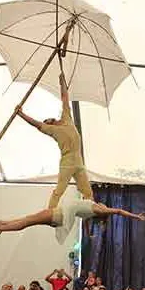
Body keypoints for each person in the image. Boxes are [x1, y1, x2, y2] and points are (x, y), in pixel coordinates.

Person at [16, 73, 93, 209]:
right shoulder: (51, 130)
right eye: (46, 122)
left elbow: (65, 98)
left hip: (78, 161)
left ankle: (91, 210)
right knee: (59, 191)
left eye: (47, 120)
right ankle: (50, 211)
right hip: (67, 161)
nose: (47, 122)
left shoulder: (66, 117)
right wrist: (21, 114)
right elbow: (36, 124)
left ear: (52, 119)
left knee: (88, 192)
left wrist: (62, 82)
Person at [0, 200, 145, 245]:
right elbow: (84, 220)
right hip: (59, 218)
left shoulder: (100, 210)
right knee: (27, 220)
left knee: (27, 220)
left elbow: (119, 211)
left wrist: (136, 216)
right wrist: (88, 232)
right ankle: (1, 224)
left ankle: (2, 227)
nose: (106, 205)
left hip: (59, 215)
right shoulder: (93, 209)